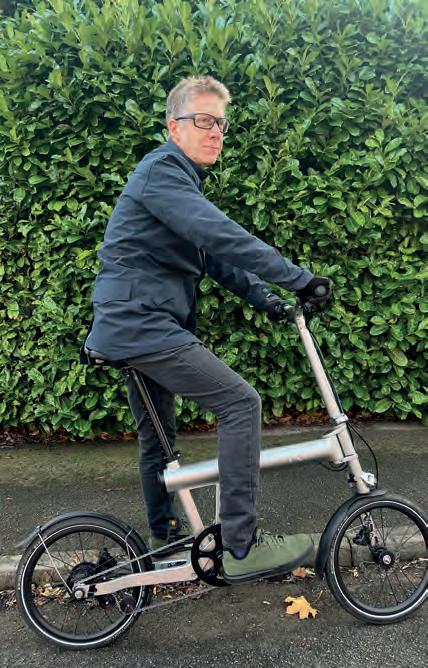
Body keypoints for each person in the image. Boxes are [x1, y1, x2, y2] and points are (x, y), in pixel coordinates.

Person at [84, 75, 331, 583]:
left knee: (158, 440)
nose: (216, 131)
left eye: (221, 122)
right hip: (142, 325)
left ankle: (163, 540)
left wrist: (269, 301)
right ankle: (240, 546)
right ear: (173, 127)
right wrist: (300, 279)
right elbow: (220, 235)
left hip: (131, 325)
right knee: (241, 403)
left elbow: (213, 258)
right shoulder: (162, 172)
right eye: (203, 120)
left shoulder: (176, 183)